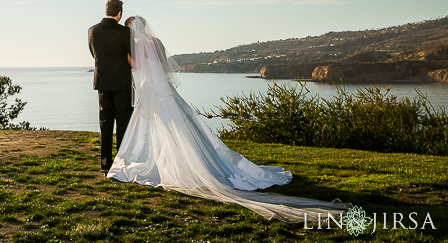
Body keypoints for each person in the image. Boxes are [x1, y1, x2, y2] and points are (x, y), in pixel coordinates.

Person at [107, 15, 348, 223]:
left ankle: (164, 161)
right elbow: (161, 65)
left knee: (157, 125)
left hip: (151, 88)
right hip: (164, 87)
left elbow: (137, 66)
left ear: (131, 29)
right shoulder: (156, 42)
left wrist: (125, 57)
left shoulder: (136, 45)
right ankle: (184, 158)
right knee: (180, 124)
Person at [87, 0, 133, 174]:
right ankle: (121, 164)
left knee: (105, 123)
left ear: (105, 11)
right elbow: (131, 57)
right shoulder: (125, 33)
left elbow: (94, 54)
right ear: (119, 13)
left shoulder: (92, 31)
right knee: (122, 124)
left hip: (103, 82)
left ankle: (105, 165)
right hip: (122, 83)